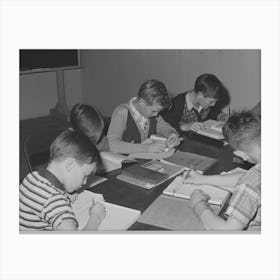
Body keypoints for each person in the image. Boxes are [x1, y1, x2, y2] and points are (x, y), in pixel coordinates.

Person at [184, 111, 261, 231]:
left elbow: (227, 230)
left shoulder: (249, 183)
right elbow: (246, 177)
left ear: (239, 154)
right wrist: (202, 179)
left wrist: (198, 204)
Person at [19, 129, 106, 231]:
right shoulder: (54, 200)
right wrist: (96, 217)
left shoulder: (31, 177)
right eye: (84, 175)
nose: (85, 182)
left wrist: (64, 193)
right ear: (70, 165)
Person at [107, 79, 181, 154]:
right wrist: (148, 148)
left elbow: (164, 127)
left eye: (158, 112)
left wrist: (172, 134)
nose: (156, 115)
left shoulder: (153, 114)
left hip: (143, 160)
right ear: (142, 103)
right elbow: (112, 145)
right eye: (154, 111)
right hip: (124, 161)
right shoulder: (122, 112)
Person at [161, 73, 227, 133]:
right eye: (211, 101)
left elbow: (213, 112)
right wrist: (185, 127)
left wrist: (220, 116)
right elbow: (165, 125)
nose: (213, 104)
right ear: (200, 95)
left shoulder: (205, 103)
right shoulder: (178, 104)